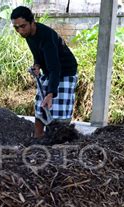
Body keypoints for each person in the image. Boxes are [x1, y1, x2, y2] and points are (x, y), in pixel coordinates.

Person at [11, 6, 78, 139]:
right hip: (50, 71)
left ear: (32, 22)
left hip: (65, 72)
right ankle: (38, 138)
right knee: (40, 105)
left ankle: (62, 142)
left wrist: (51, 93)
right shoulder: (28, 35)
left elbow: (55, 67)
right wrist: (37, 65)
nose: (20, 30)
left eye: (23, 26)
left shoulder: (47, 36)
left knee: (59, 111)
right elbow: (38, 54)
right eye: (16, 28)